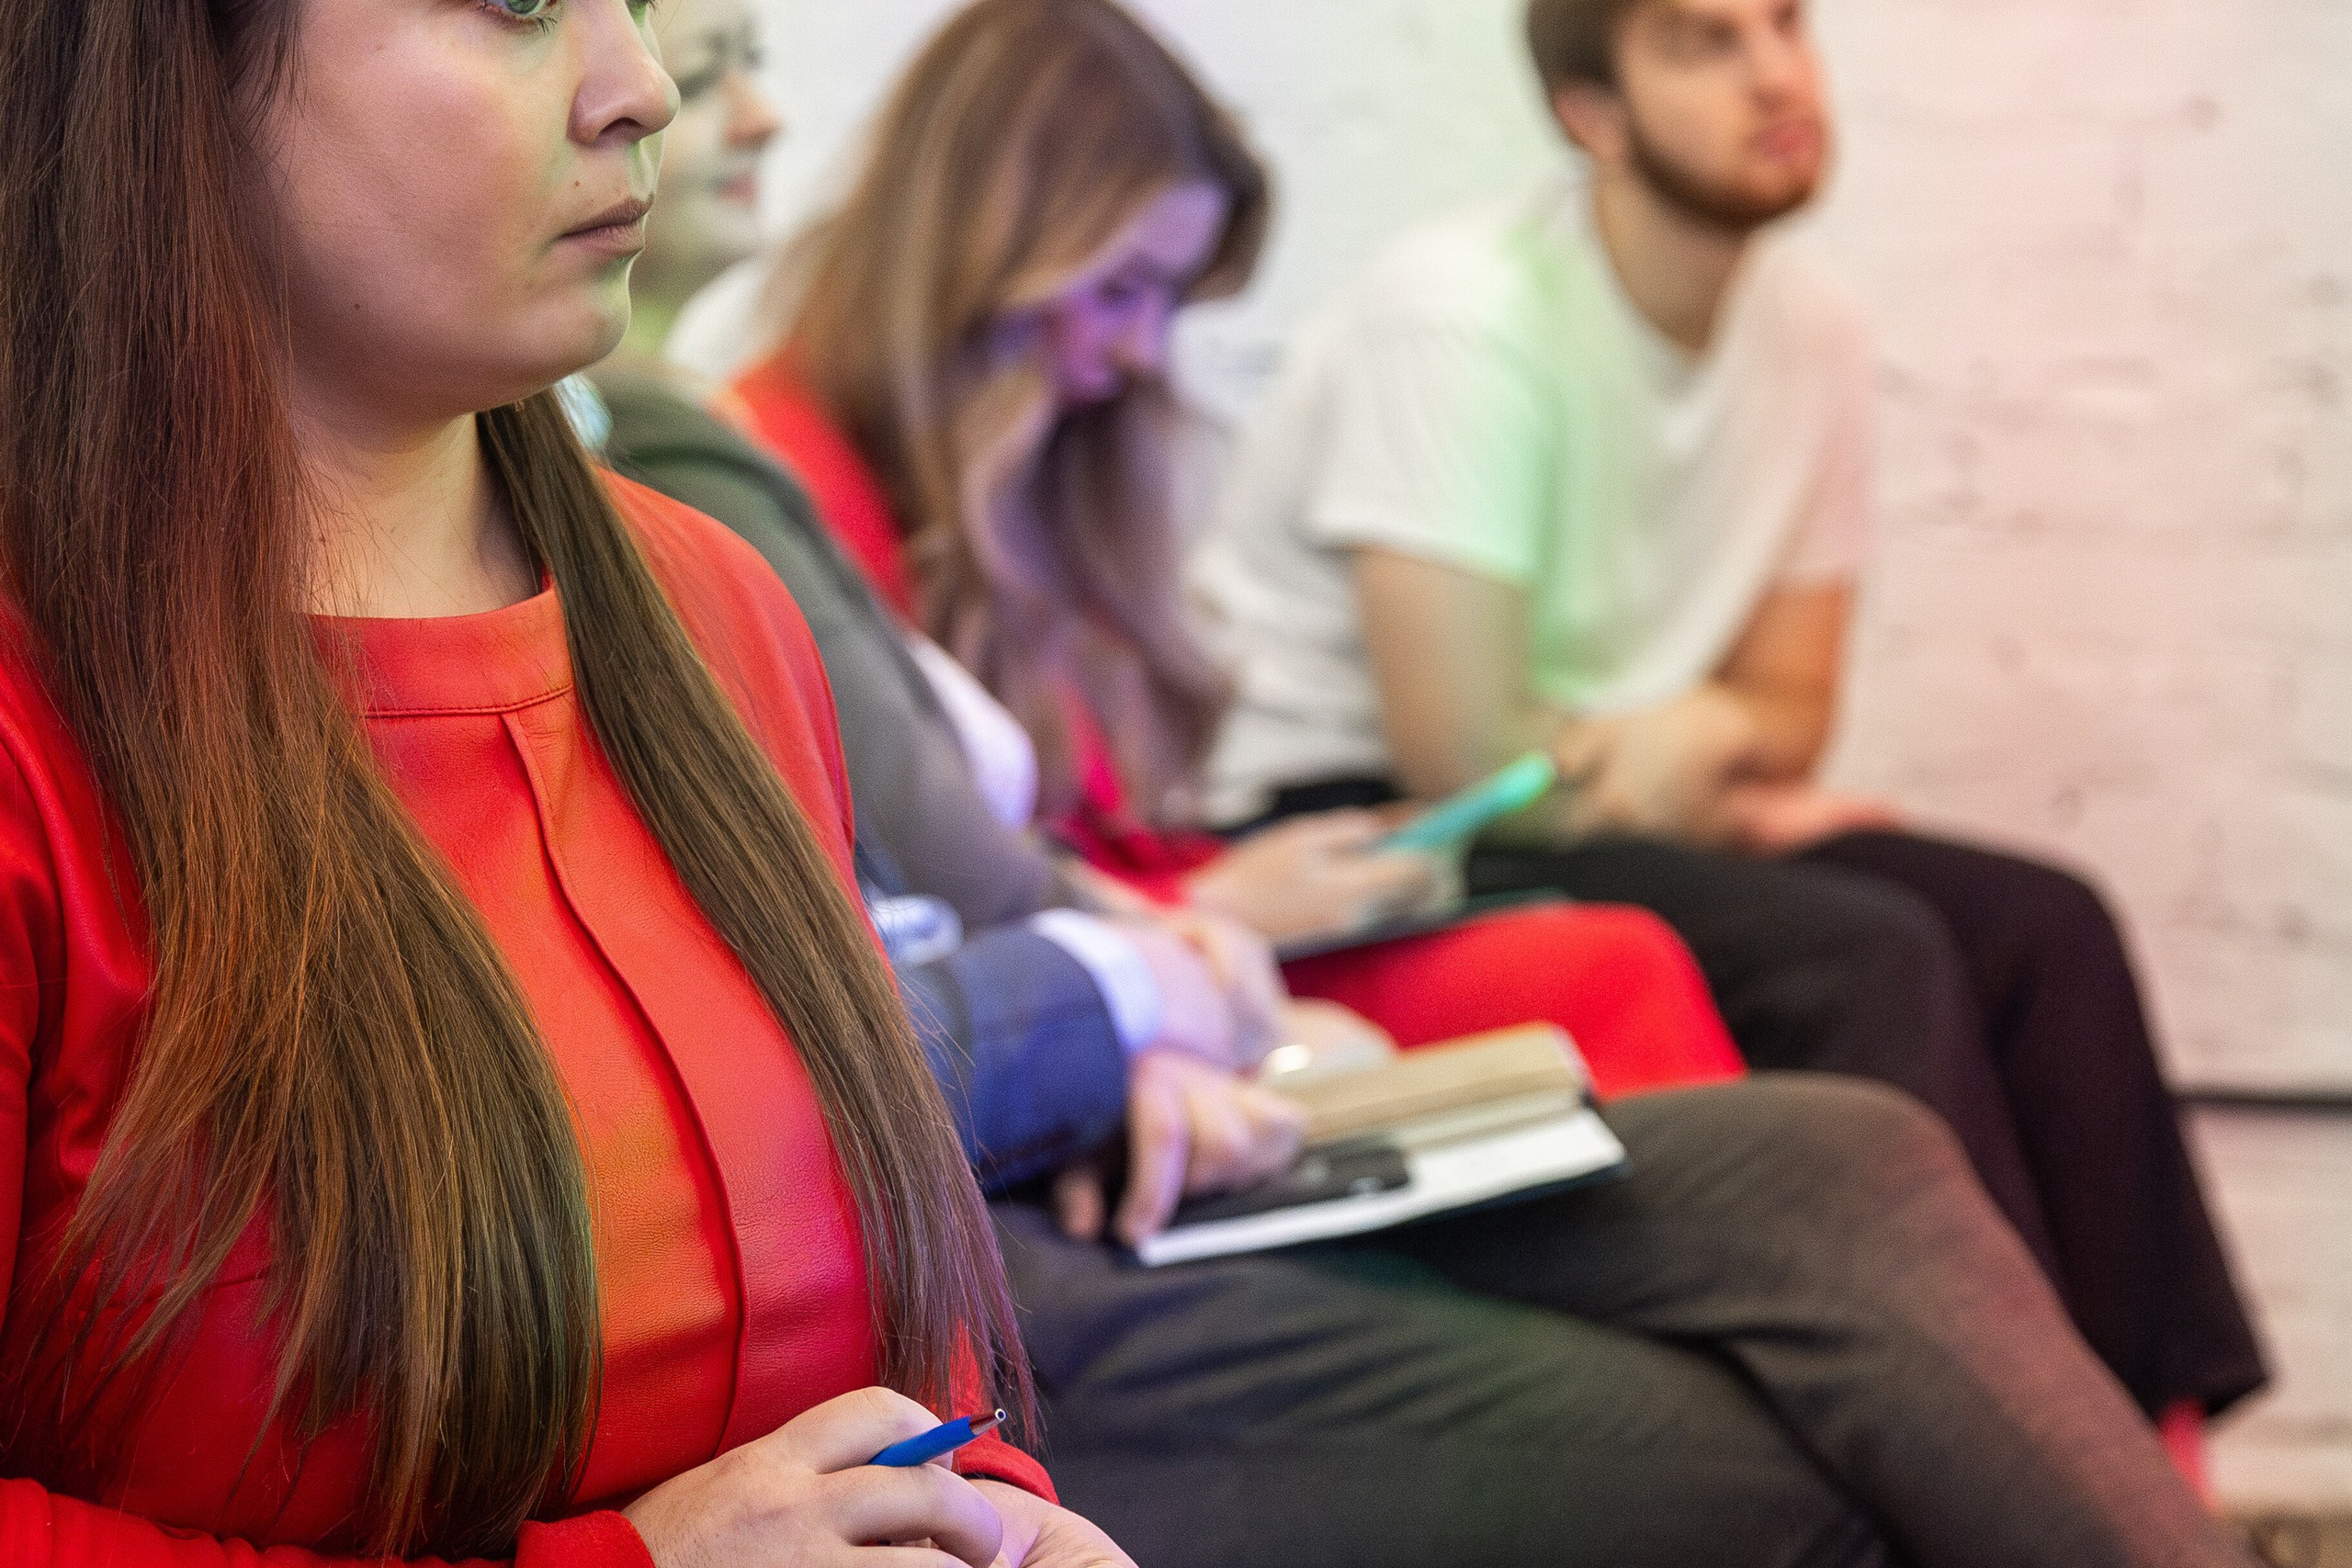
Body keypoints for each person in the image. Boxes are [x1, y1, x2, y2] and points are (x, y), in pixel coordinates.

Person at [629, 2, 2255, 1562]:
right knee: (1758, 1028)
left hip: (1151, 1003)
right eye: (1121, 289)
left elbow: (1779, 709)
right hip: (1117, 1065)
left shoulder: (879, 475)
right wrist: (1167, 968)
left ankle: (2132, 1447)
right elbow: (1435, 758)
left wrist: (1157, 966)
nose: (1135, 353)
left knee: (1999, 973)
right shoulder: (705, 474)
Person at [0, 3, 1135, 1566]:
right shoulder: (39, 718)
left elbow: (893, 1375)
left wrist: (996, 1521)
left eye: (641, 2)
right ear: (163, 62)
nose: (642, 89)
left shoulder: (708, 611)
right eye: (519, 3)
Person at [1191, 0, 2267, 1427]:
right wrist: (1697, 741)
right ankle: (1979, 1439)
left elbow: (1789, 718)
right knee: (1861, 953)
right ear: (1594, 112)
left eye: (1785, 24)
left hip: (1620, 800)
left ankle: (2131, 1449)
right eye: (1704, 41)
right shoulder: (1459, 315)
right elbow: (1465, 752)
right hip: (1372, 827)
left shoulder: (1809, 330)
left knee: (2044, 929)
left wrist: (1668, 745)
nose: (1776, 74)